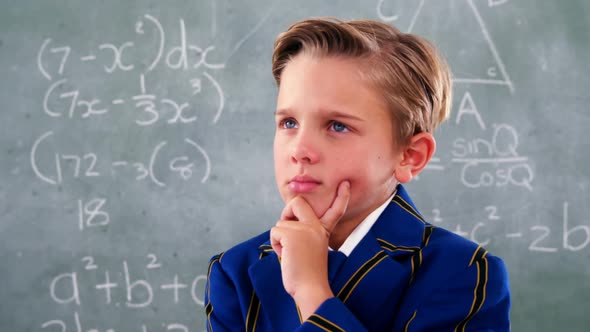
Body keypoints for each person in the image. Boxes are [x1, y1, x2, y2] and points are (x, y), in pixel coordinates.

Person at [204, 17, 510, 331]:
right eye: (289, 123)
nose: (299, 150)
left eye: (337, 126)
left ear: (409, 156)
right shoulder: (235, 273)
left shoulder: (463, 273)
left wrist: (311, 292)